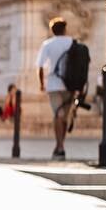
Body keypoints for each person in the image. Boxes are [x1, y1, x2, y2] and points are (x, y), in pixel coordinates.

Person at [35, 17, 75, 160]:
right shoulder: (72, 42)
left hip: (53, 84)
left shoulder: (48, 44)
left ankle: (59, 146)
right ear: (65, 29)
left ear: (52, 30)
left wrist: (41, 83)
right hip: (71, 85)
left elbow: (40, 66)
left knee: (58, 114)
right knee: (64, 117)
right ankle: (61, 144)